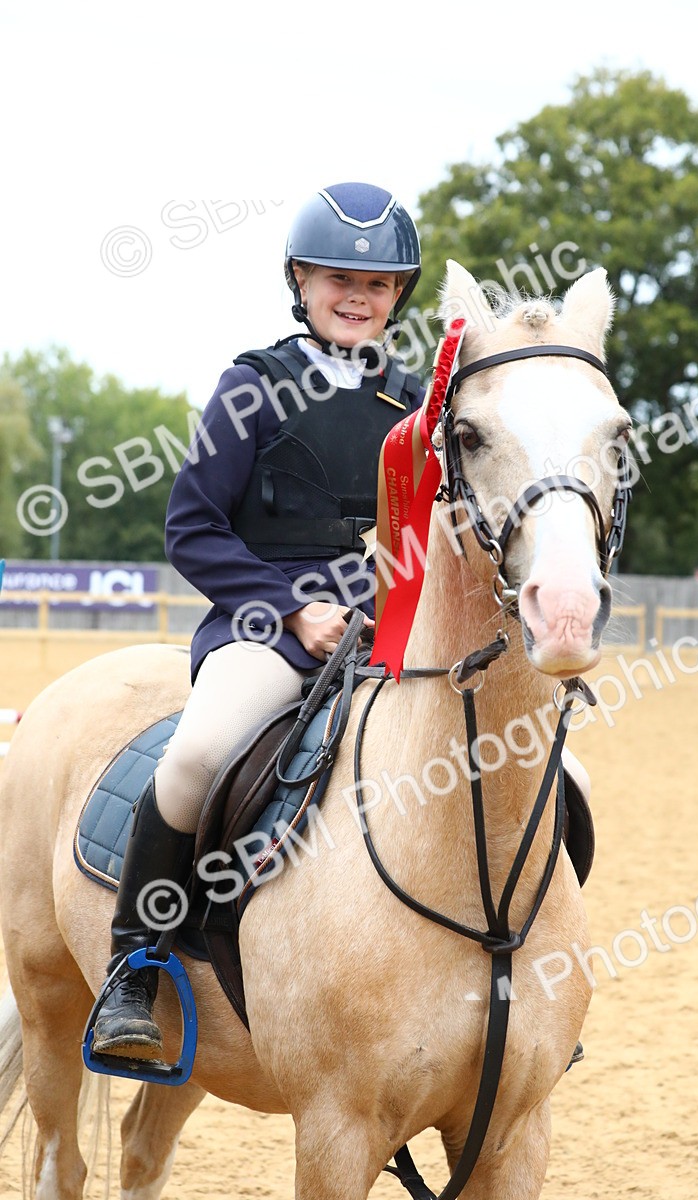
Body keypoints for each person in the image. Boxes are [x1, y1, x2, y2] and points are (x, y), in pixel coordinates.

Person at [91, 182, 425, 1060]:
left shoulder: (422, 403)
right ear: (300, 282)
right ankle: (137, 963)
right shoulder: (254, 387)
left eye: (378, 283)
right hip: (264, 626)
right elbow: (190, 527)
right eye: (336, 279)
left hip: (389, 635)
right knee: (200, 753)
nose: (356, 296)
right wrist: (291, 610)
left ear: (400, 296)